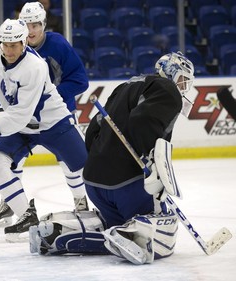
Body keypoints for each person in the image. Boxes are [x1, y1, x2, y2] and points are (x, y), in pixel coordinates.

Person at [29, 52, 195, 265]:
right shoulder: (168, 90)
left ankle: (58, 233)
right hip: (128, 185)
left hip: (94, 183)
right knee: (165, 221)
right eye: (182, 79)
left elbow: (93, 128)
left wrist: (98, 161)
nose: (183, 87)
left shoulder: (126, 86)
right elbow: (142, 119)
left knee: (111, 225)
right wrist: (149, 160)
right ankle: (132, 236)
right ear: (171, 72)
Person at [0, 18, 88, 242]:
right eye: (5, 44)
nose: (8, 51)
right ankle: (26, 216)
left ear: (24, 43)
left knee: (85, 167)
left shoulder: (35, 66)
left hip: (53, 123)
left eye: (14, 45)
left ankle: (86, 204)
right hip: (20, 128)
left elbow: (20, 114)